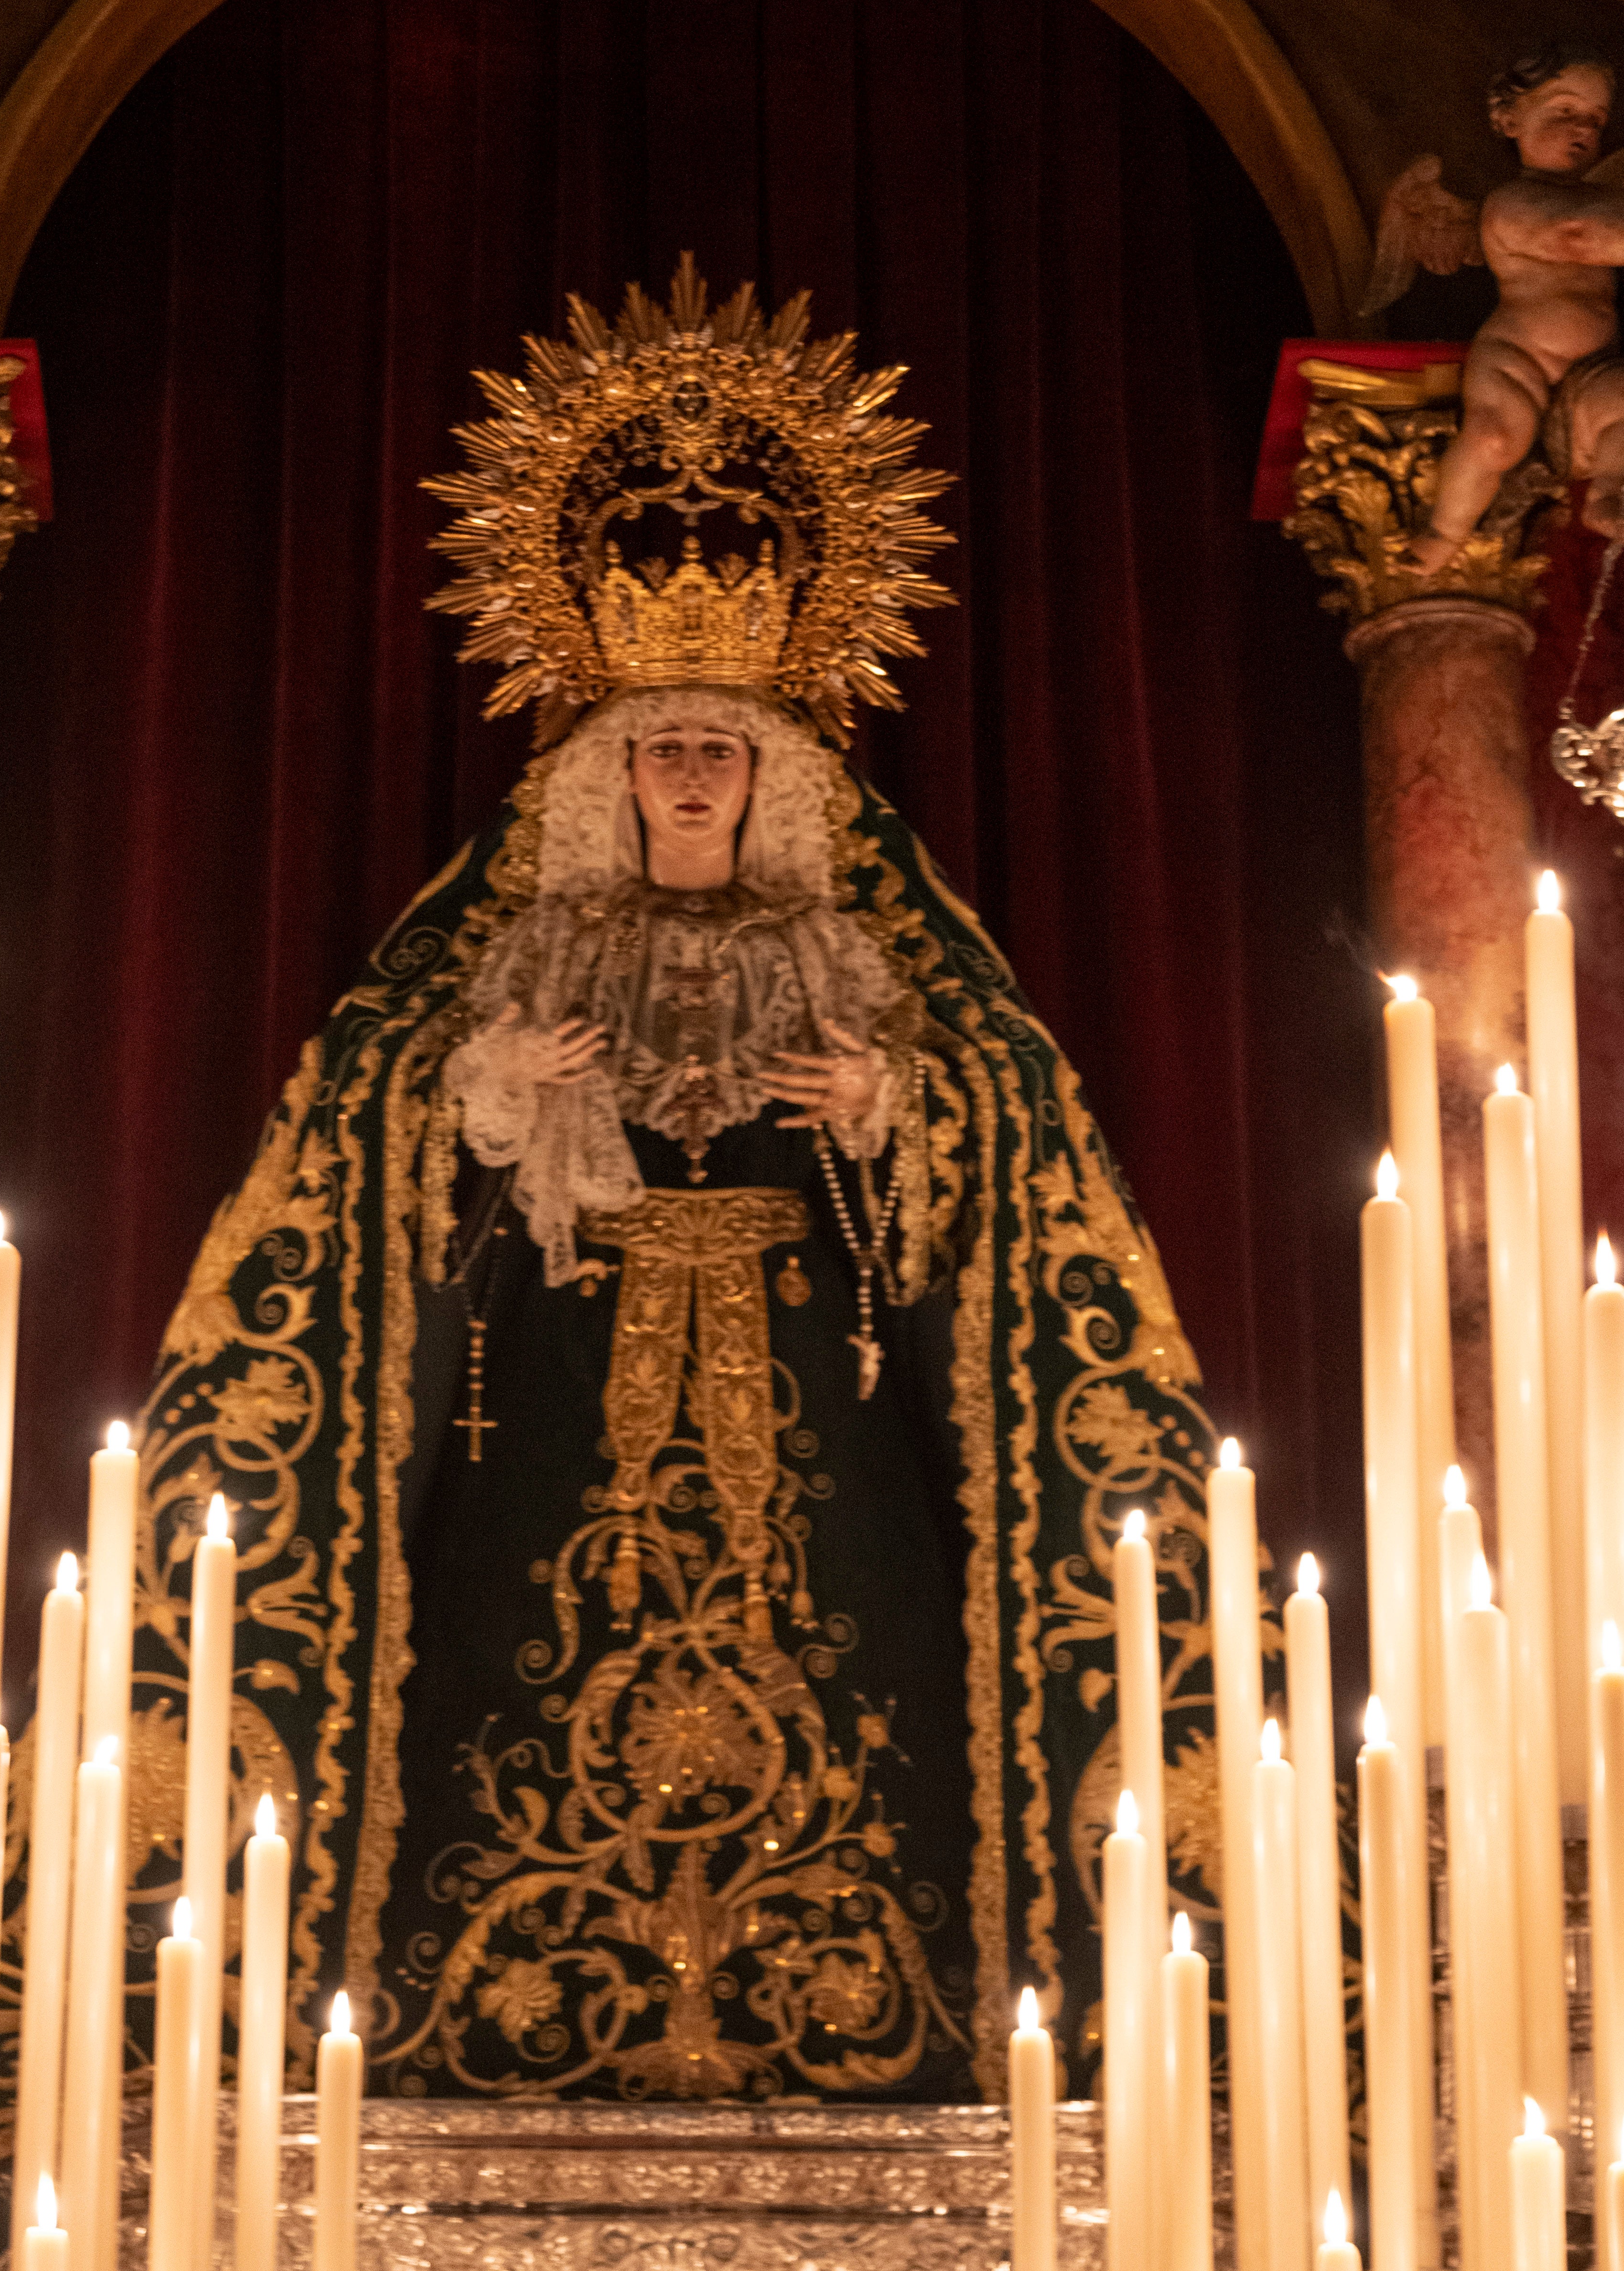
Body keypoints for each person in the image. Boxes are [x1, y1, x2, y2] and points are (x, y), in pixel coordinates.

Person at [125, 268, 1222, 2105]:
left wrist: (900, 1105)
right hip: (552, 1402)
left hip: (824, 1421)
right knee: (509, 1682)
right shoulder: (502, 953)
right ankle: (497, 1999)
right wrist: (471, 1101)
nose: (692, 774)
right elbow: (346, 1168)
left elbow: (1028, 1164)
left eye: (722, 746)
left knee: (860, 1700)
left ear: (776, 774)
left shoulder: (873, 957)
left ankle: (871, 2004)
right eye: (659, 747)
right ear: (605, 778)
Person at [1361, 39, 1624, 558]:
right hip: (1516, 358)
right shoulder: (1511, 203)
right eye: (1565, 112)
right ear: (1509, 120)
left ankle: (1606, 496)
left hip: (1594, 367)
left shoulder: (1612, 202)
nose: (1582, 130)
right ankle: (1444, 532)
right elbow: (1575, 238)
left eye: (1595, 121)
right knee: (1492, 438)